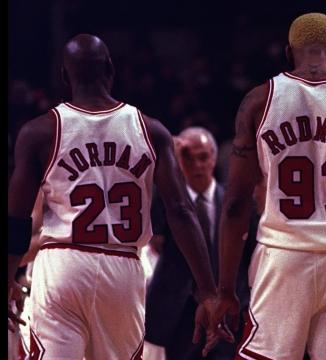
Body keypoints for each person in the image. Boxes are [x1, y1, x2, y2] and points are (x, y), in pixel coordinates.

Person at [7, 34, 226, 359]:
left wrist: (9, 273)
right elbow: (181, 211)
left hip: (63, 264)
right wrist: (208, 292)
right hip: (122, 266)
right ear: (111, 69)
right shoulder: (152, 131)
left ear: (64, 77)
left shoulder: (40, 131)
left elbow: (17, 218)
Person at [210, 13, 326, 359]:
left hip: (283, 256)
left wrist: (225, 290)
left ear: (288, 52)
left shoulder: (259, 100)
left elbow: (236, 204)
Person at [145, 127, 256, 359]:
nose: (196, 165)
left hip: (228, 315)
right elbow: (148, 216)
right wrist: (169, 162)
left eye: (203, 157)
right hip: (179, 314)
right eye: (188, 157)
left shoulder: (237, 204)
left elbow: (251, 258)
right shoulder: (168, 203)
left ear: (214, 158)